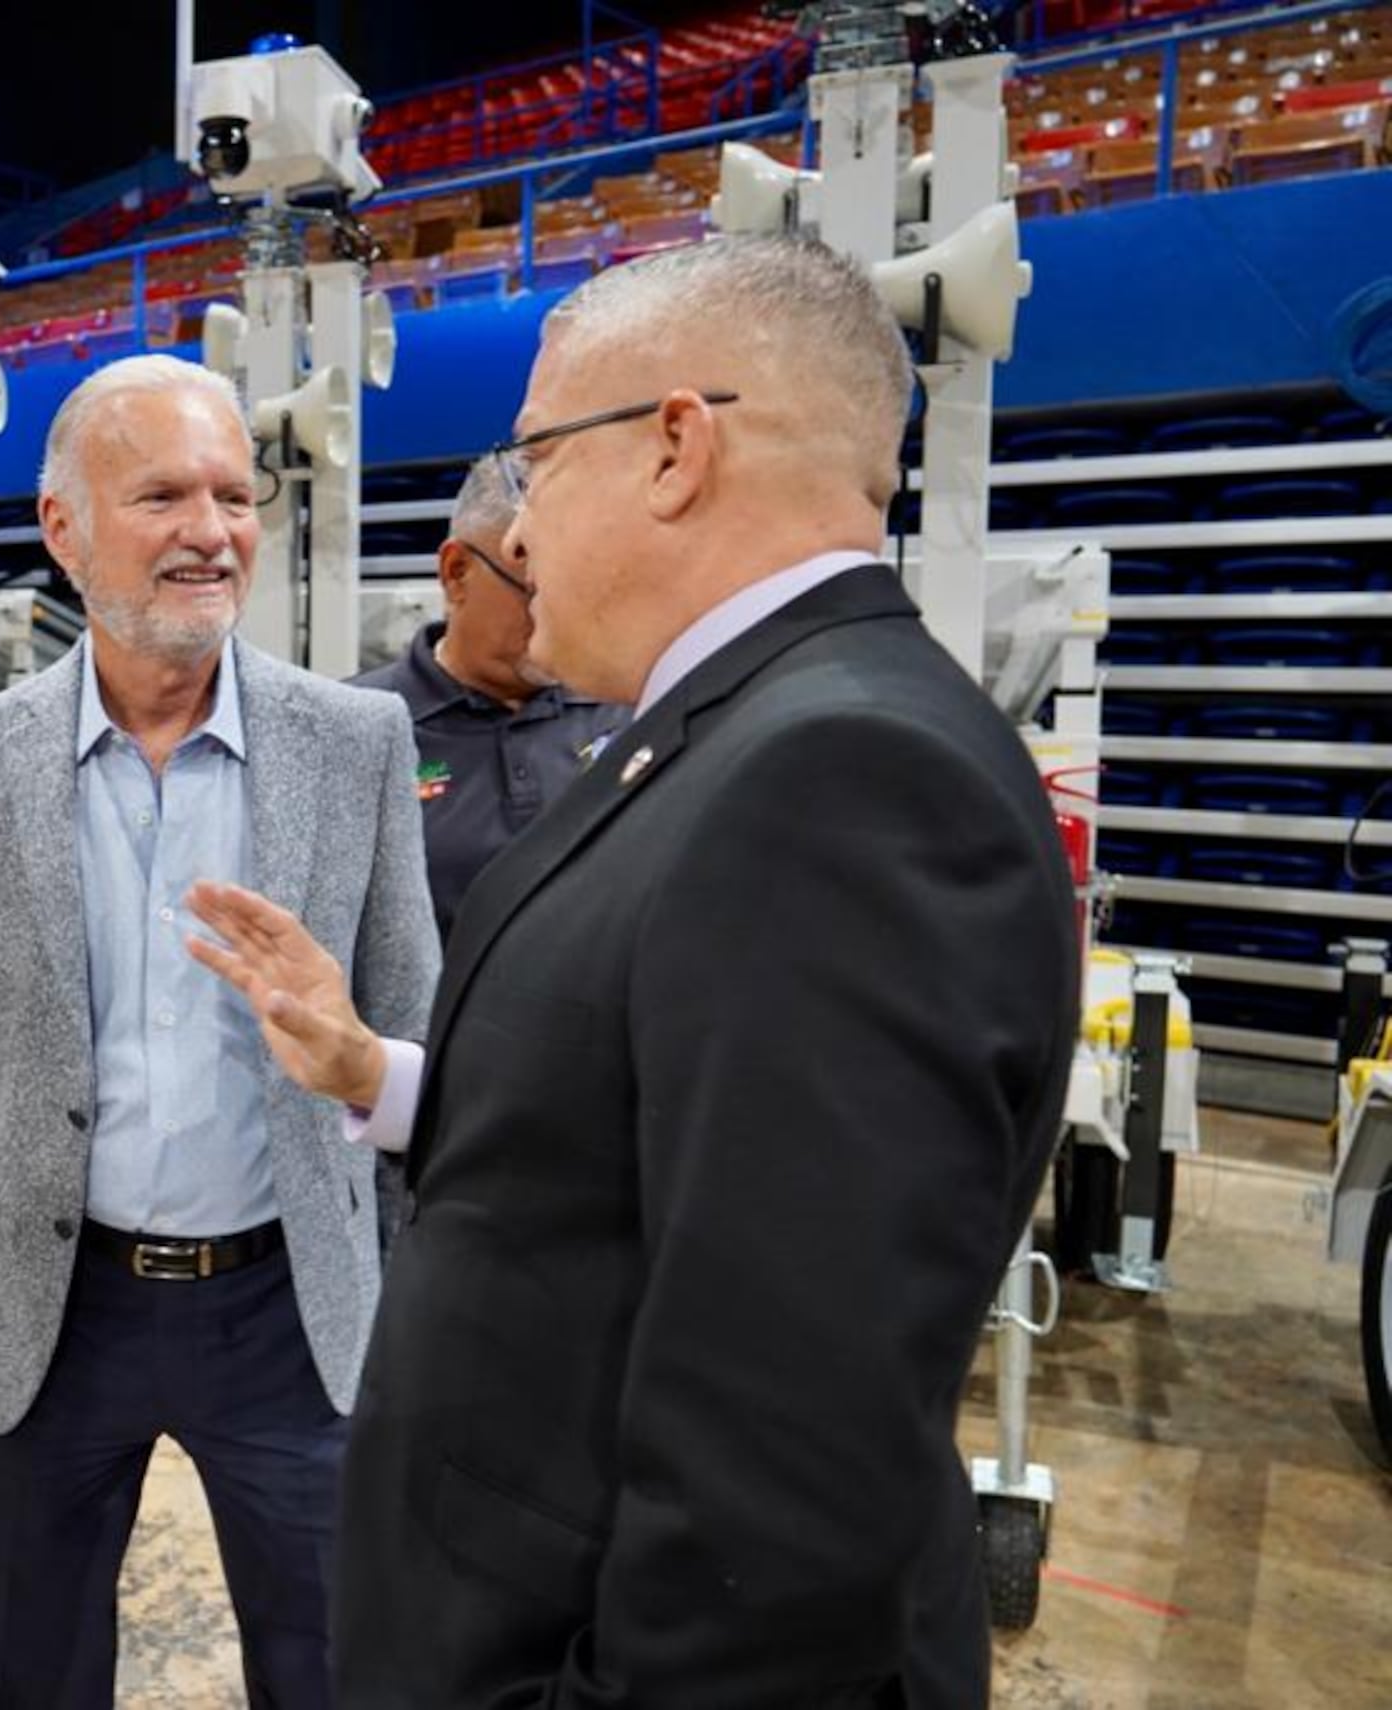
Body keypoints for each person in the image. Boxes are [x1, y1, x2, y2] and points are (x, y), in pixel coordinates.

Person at [185, 237, 1079, 1708]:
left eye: (537, 460)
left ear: (675, 447)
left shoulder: (840, 781)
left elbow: (780, 1487)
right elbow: (639, 1130)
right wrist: (383, 1075)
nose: (518, 530)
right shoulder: (746, 731)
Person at [0, 353, 440, 1708]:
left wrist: (425, 1288)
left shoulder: (354, 743)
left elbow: (412, 1017)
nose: (212, 530)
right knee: (36, 1667)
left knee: (332, 1667)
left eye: (234, 495)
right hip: (57, 1300)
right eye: (165, 495)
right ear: (66, 528)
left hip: (288, 1302)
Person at [348, 457, 628, 940]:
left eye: (577, 590)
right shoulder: (354, 728)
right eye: (535, 589)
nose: (557, 615)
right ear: (456, 572)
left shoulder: (627, 706)